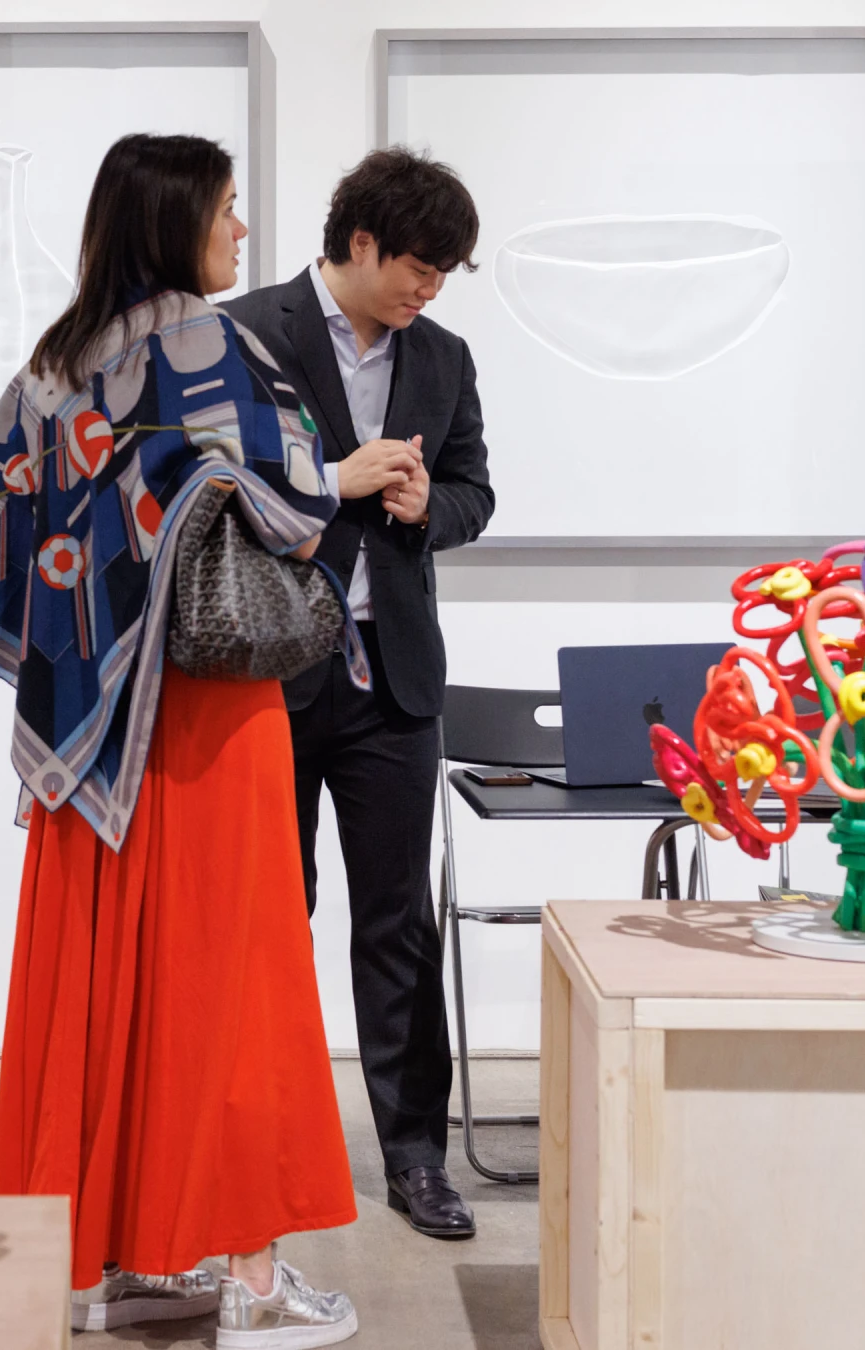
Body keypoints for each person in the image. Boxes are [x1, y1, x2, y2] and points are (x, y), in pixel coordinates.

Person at [0, 133, 363, 1348]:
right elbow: (287, 496)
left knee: (96, 984)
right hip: (205, 713)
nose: (242, 232)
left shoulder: (52, 363)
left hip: (85, 725)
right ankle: (250, 1278)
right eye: (229, 210)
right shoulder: (213, 346)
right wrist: (331, 478)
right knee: (233, 983)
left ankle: (101, 1266)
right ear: (177, 218)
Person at [220, 147, 495, 1241]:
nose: (429, 291)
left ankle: (416, 1159)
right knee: (267, 920)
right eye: (420, 267)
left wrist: (433, 506)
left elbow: (478, 489)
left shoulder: (447, 356)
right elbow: (208, 482)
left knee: (398, 926)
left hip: (398, 685)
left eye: (445, 276)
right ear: (363, 241)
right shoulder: (241, 331)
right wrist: (327, 484)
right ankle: (259, 1149)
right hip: (263, 673)